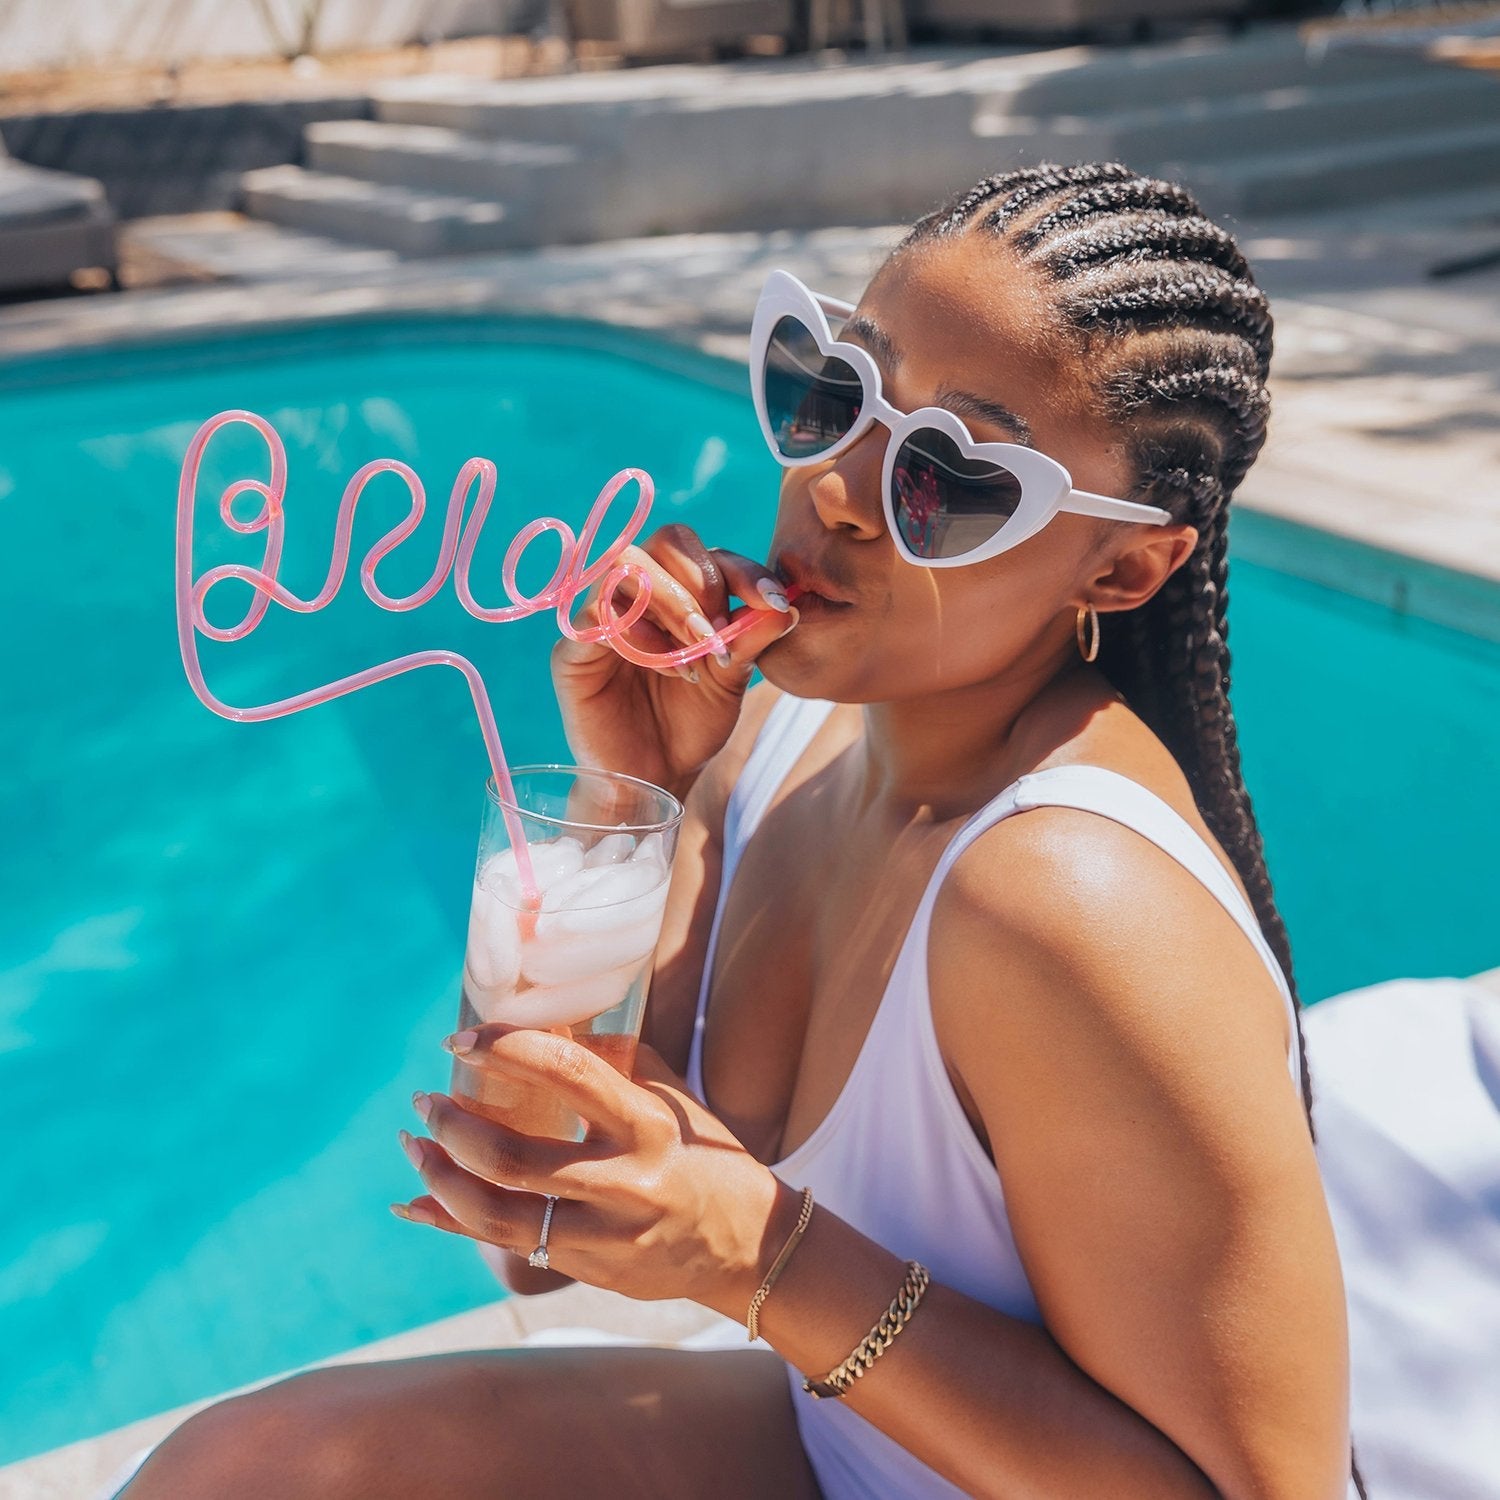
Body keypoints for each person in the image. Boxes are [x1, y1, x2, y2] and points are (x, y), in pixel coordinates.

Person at [122, 160, 1367, 1499]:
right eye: (835, 392)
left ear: (1123, 566)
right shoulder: (768, 743)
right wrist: (622, 815)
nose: (838, 489)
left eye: (947, 477)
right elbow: (532, 1230)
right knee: (248, 1472)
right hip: (845, 1456)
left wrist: (766, 1260)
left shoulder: (1064, 895)